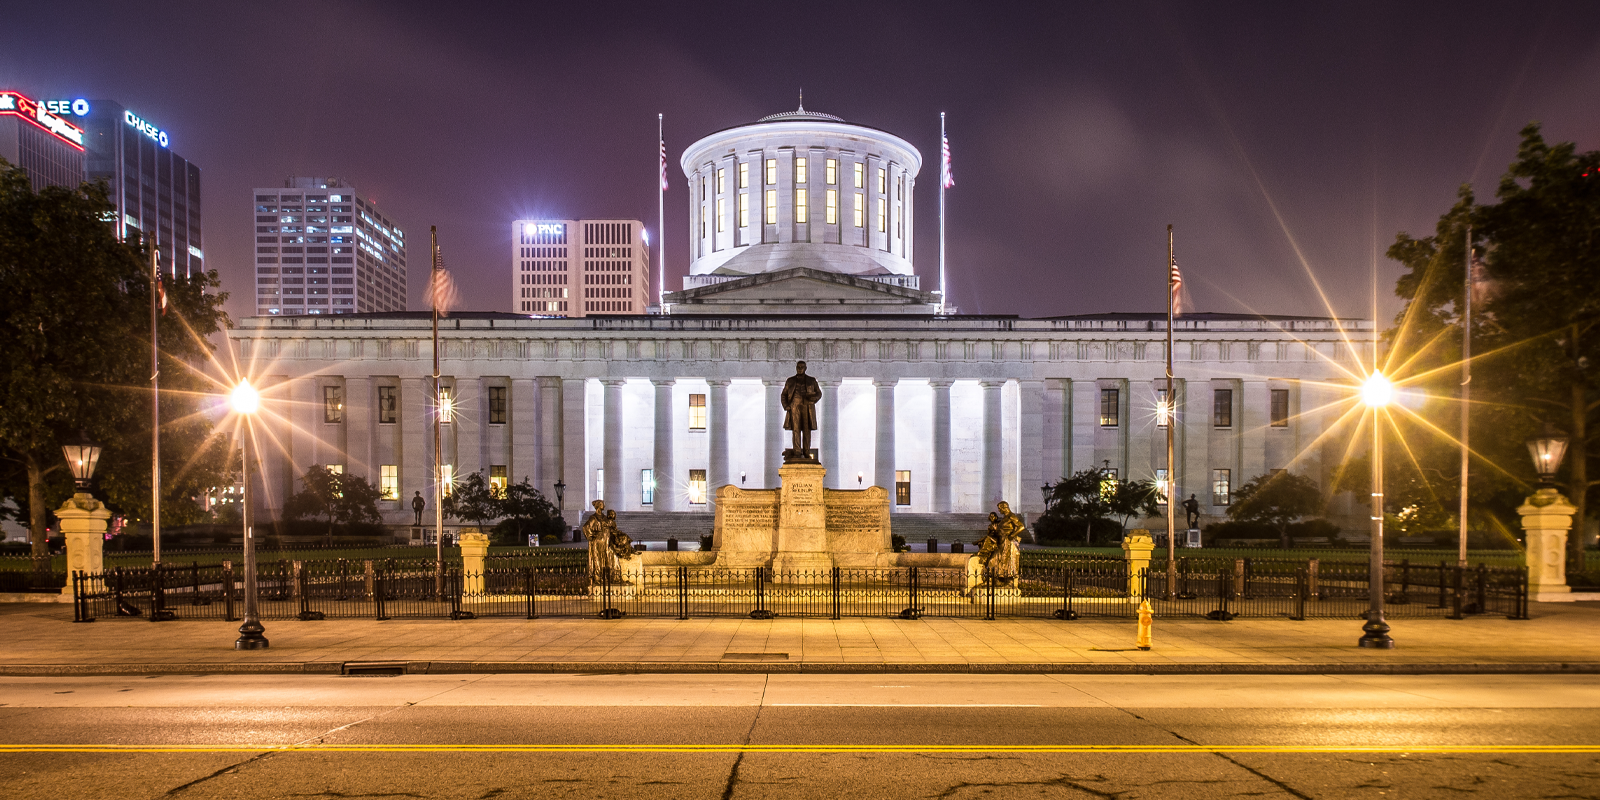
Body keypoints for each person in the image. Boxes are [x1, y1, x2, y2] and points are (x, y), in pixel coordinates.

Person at [781, 360, 822, 460]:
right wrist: (786, 406)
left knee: (807, 430)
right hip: (794, 406)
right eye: (798, 367)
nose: (800, 369)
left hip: (807, 406)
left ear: (805, 368)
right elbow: (784, 394)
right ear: (796, 368)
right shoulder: (790, 381)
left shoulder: (811, 380)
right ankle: (797, 452)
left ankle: (806, 452)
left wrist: (813, 399)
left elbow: (819, 393)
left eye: (802, 367)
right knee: (796, 430)